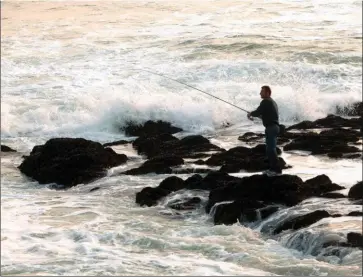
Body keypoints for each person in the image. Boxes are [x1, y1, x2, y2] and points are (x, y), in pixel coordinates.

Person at [247, 85, 282, 176]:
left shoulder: (265, 101)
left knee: (271, 149)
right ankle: (273, 169)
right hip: (274, 127)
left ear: (267, 93)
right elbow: (265, 114)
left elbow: (258, 112)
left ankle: (276, 170)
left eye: (262, 91)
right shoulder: (272, 102)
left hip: (271, 127)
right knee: (270, 149)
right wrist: (256, 115)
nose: (260, 93)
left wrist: (250, 114)